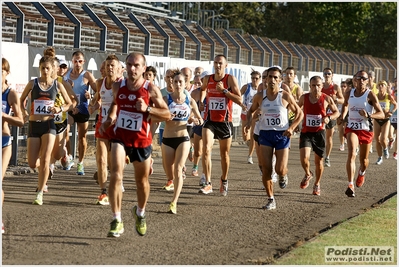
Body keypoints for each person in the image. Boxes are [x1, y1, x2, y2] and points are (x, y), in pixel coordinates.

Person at [99, 52, 170, 237]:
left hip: (141, 140)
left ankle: (140, 213)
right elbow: (116, 103)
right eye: (129, 64)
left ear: (143, 68)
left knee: (142, 182)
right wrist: (110, 117)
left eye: (136, 65)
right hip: (120, 137)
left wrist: (148, 109)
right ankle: (116, 219)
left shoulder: (151, 89)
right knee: (116, 174)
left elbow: (167, 114)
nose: (132, 68)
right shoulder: (117, 86)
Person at [245, 66, 303, 209]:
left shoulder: (285, 96)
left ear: (280, 80)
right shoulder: (259, 96)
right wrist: (248, 122)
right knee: (266, 169)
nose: (271, 80)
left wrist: (291, 128)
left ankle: (283, 176)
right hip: (265, 134)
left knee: (280, 169)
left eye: (275, 77)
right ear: (265, 79)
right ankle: (271, 199)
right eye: (269, 77)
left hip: (282, 134)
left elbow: (300, 113)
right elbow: (250, 111)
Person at [20, 50, 72, 205]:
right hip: (34, 125)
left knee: (45, 159)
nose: (45, 71)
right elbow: (21, 100)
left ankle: (40, 191)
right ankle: (44, 172)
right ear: (39, 69)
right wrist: (23, 112)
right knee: (31, 163)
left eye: (47, 68)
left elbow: (69, 103)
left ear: (53, 69)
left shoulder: (57, 85)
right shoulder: (33, 83)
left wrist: (59, 109)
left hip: (49, 126)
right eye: (42, 68)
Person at [198, 55, 242, 196]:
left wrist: (224, 91)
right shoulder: (208, 79)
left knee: (225, 155)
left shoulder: (229, 79)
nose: (217, 65)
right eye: (216, 63)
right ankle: (208, 183)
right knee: (206, 150)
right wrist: (201, 101)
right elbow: (203, 89)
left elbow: (239, 99)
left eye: (220, 63)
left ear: (225, 65)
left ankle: (224, 180)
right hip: (210, 120)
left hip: (224, 122)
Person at [337, 70, 384, 197]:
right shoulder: (349, 93)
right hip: (352, 128)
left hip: (366, 129)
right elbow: (346, 105)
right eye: (359, 78)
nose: (361, 81)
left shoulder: (370, 95)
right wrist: (342, 116)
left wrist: (368, 115)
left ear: (368, 80)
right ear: (355, 80)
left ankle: (362, 172)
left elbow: (381, 114)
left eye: (364, 78)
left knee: (363, 160)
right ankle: (350, 184)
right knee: (352, 153)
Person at [161, 71, 202, 214]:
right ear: (171, 84)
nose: (178, 84)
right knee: (169, 173)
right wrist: (165, 116)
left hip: (183, 138)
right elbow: (157, 115)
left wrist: (195, 120)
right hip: (167, 139)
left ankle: (174, 202)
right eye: (175, 82)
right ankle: (171, 180)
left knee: (178, 169)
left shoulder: (189, 101)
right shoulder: (166, 99)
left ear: (185, 84)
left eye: (180, 82)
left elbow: (200, 119)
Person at [297, 76, 340, 195]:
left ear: (322, 86)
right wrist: (295, 121)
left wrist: (329, 117)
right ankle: (308, 174)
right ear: (310, 86)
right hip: (306, 132)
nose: (316, 88)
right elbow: (297, 110)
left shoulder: (326, 98)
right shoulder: (304, 98)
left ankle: (317, 183)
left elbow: (337, 112)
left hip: (319, 133)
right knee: (304, 158)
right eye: (313, 85)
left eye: (318, 85)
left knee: (319, 162)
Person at [88, 54, 122, 205]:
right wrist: (92, 106)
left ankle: (117, 179)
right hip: (102, 124)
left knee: (113, 160)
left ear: (119, 69)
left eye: (112, 65)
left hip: (118, 126)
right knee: (100, 159)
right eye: (107, 65)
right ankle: (103, 192)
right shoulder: (100, 82)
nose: (109, 68)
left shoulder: (122, 84)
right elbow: (98, 99)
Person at [64, 50, 97, 175]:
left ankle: (81, 163)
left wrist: (91, 95)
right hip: (70, 108)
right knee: (64, 132)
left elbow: (98, 91)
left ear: (84, 62)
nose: (77, 63)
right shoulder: (66, 75)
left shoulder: (87, 75)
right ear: (72, 62)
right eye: (75, 61)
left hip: (83, 108)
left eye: (80, 61)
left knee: (82, 137)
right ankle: (70, 156)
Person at [2, 57, 24, 233]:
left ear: (6, 73)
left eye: (1, 71)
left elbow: (20, 121)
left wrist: (3, 116)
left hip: (3, 143)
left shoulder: (10, 94)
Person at [48, 56, 78, 183]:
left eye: (54, 67)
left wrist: (63, 108)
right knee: (46, 148)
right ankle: (47, 172)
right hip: (45, 120)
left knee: (57, 152)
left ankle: (64, 154)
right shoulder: (39, 82)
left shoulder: (63, 83)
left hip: (60, 120)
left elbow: (74, 101)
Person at [321, 68, 344, 167]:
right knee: (319, 135)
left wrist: (337, 99)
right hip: (320, 113)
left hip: (331, 114)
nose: (327, 75)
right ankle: (320, 155)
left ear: (332, 75)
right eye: (325, 73)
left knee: (328, 136)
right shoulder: (319, 85)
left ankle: (327, 157)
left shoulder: (335, 87)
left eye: (328, 73)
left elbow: (343, 100)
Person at [373, 80, 397, 165]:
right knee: (377, 139)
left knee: (383, 139)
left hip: (386, 120)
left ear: (386, 87)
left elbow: (396, 105)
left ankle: (385, 148)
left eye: (382, 85)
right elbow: (369, 104)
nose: (380, 87)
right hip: (376, 119)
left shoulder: (389, 97)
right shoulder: (375, 96)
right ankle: (380, 157)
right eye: (379, 85)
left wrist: (392, 111)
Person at [240, 69, 261, 164]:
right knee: (245, 135)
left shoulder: (262, 89)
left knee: (252, 134)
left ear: (259, 79)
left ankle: (250, 156)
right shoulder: (246, 87)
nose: (254, 80)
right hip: (245, 113)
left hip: (255, 114)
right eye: (253, 78)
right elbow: (237, 95)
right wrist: (241, 104)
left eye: (256, 78)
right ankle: (251, 144)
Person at [190, 72, 207, 181]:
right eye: (205, 78)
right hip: (199, 123)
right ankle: (195, 166)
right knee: (198, 151)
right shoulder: (195, 93)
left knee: (207, 150)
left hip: (210, 123)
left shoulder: (215, 92)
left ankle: (205, 175)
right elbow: (191, 107)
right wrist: (192, 117)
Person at [283, 66, 304, 135]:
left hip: (292, 117)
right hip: (281, 115)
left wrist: (297, 120)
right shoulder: (281, 87)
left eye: (291, 74)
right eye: (287, 74)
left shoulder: (298, 88)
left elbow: (300, 106)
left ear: (294, 76)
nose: (288, 76)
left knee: (287, 137)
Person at [337, 80, 350, 151]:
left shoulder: (349, 95)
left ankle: (347, 140)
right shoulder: (338, 94)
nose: (343, 88)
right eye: (341, 86)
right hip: (339, 113)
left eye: (344, 86)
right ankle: (342, 144)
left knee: (345, 129)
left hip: (347, 113)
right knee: (340, 129)